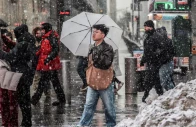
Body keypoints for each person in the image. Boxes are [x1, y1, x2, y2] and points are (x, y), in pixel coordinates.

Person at [77, 24, 116, 127]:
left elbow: (106, 64)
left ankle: (111, 125)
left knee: (109, 106)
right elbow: (88, 64)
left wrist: (95, 53)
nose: (93, 34)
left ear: (103, 35)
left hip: (104, 81)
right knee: (89, 105)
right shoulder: (92, 47)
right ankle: (83, 124)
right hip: (93, 80)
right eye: (93, 32)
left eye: (96, 32)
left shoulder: (108, 48)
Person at [0, 24, 35, 126]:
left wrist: (1, 53)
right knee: (25, 101)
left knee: (22, 101)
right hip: (25, 74)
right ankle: (27, 121)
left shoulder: (23, 43)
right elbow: (16, 49)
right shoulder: (27, 40)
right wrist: (4, 38)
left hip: (20, 75)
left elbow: (11, 57)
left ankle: (26, 122)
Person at [31, 23, 66, 106]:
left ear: (46, 29)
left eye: (43, 29)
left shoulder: (51, 37)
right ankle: (61, 99)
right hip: (47, 64)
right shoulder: (46, 37)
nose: (41, 31)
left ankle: (35, 99)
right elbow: (43, 50)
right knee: (51, 82)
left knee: (45, 82)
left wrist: (48, 58)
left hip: (50, 64)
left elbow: (55, 49)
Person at [140, 20, 164, 103]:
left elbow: (161, 48)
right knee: (155, 79)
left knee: (149, 79)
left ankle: (145, 96)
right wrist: (143, 60)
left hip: (154, 61)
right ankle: (161, 94)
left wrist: (155, 54)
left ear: (150, 27)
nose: (145, 28)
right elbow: (146, 50)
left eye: (146, 26)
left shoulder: (156, 36)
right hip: (150, 61)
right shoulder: (148, 36)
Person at [31, 27, 51, 98]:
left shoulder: (44, 40)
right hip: (37, 63)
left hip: (43, 63)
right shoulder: (33, 41)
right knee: (37, 78)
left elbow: (46, 51)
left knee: (45, 79)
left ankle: (47, 93)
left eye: (39, 33)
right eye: (36, 33)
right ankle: (36, 93)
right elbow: (33, 52)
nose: (38, 34)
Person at [156, 27, 175, 91]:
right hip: (168, 62)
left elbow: (165, 53)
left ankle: (171, 92)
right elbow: (172, 52)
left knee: (165, 81)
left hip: (165, 63)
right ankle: (172, 92)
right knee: (168, 80)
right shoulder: (168, 41)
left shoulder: (162, 42)